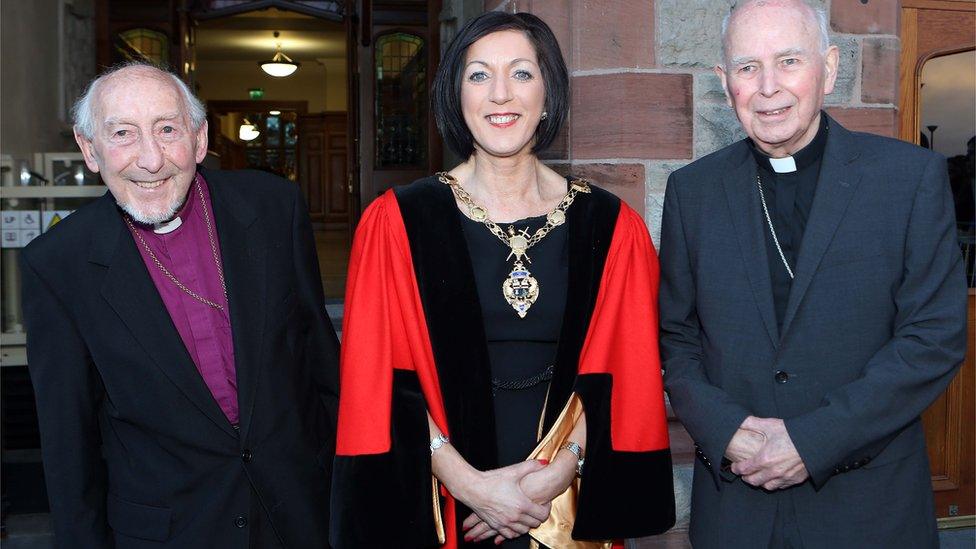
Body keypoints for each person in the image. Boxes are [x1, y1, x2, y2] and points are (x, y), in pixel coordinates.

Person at [330, 11, 674, 549]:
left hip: (564, 500)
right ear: (456, 94)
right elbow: (376, 382)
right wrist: (473, 486)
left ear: (548, 91)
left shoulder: (610, 228)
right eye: (479, 75)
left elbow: (627, 373)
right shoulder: (398, 222)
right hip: (445, 498)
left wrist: (555, 476)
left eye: (520, 73)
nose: (500, 95)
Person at [659, 1, 968, 547]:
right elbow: (676, 338)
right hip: (737, 510)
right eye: (747, 67)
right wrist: (727, 431)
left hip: (870, 510)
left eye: (789, 61)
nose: (768, 87)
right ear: (723, 81)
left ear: (828, 68)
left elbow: (933, 338)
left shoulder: (907, 178)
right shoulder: (694, 191)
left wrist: (812, 439)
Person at [21, 63, 340, 548]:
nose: (151, 159)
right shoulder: (58, 263)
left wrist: (353, 498)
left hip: (299, 512)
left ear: (199, 139)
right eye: (123, 134)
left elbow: (322, 366)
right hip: (168, 531)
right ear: (90, 151)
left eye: (167, 130)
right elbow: (68, 443)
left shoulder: (275, 207)